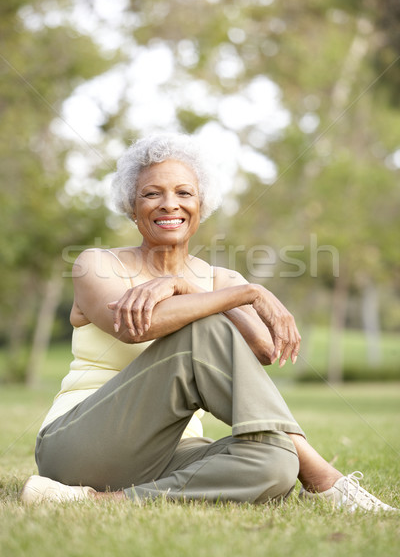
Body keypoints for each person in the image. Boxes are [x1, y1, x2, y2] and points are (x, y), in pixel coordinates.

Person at [21, 133, 396, 511]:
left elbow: (265, 351)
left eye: (184, 193)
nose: (170, 204)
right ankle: (327, 482)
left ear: (200, 205)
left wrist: (185, 287)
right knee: (204, 327)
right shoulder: (96, 264)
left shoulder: (221, 281)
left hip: (170, 452)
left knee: (278, 461)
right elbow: (134, 327)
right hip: (79, 444)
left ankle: (100, 500)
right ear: (132, 207)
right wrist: (248, 294)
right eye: (152, 194)